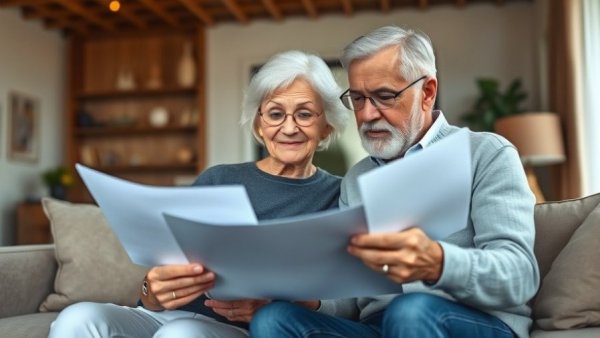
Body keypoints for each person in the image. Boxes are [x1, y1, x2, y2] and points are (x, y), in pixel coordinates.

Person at [250, 26, 539, 338]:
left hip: (473, 321)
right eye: (358, 99)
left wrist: (438, 263)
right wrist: (313, 300)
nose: (368, 114)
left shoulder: (486, 153)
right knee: (273, 317)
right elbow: (353, 301)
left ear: (427, 92)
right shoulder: (357, 178)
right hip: (381, 327)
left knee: (411, 310)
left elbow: (519, 276)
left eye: (384, 96)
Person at [48, 50, 349, 338]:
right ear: (259, 124)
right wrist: (150, 291)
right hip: (163, 315)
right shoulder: (218, 178)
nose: (289, 127)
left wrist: (283, 305)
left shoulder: (339, 194)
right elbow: (163, 273)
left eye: (305, 114)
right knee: (78, 318)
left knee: (181, 333)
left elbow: (347, 298)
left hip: (241, 328)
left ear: (327, 126)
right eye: (275, 113)